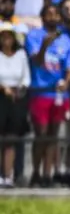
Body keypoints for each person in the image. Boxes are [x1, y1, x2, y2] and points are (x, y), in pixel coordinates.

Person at [27, 4, 70, 187]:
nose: (53, 17)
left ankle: (47, 174)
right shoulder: (34, 36)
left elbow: (69, 67)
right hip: (40, 91)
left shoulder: (66, 40)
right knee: (41, 134)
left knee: (53, 135)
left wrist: (67, 82)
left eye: (56, 14)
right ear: (43, 17)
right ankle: (36, 173)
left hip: (59, 94)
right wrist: (45, 45)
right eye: (49, 14)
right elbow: (37, 62)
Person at [0, 23, 28, 187]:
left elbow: (26, 77)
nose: (6, 39)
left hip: (17, 98)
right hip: (1, 97)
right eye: (3, 36)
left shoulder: (21, 55)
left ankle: (8, 176)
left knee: (11, 137)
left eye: (9, 36)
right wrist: (4, 88)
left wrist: (20, 89)